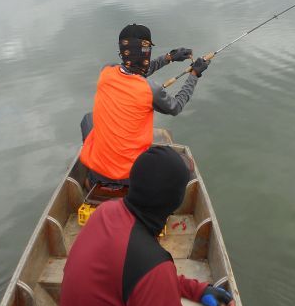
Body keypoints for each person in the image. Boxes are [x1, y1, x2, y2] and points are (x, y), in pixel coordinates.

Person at [59, 145, 236, 306]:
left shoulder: (105, 211)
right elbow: (149, 277)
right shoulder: (151, 264)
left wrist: (197, 290)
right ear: (176, 200)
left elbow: (138, 278)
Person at [79, 23, 210, 185]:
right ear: (146, 52)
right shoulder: (150, 89)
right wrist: (194, 75)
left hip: (97, 171)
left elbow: (134, 70)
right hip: (131, 176)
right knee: (182, 162)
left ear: (123, 50)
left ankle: (94, 176)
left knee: (88, 119)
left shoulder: (106, 71)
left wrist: (168, 58)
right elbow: (176, 106)